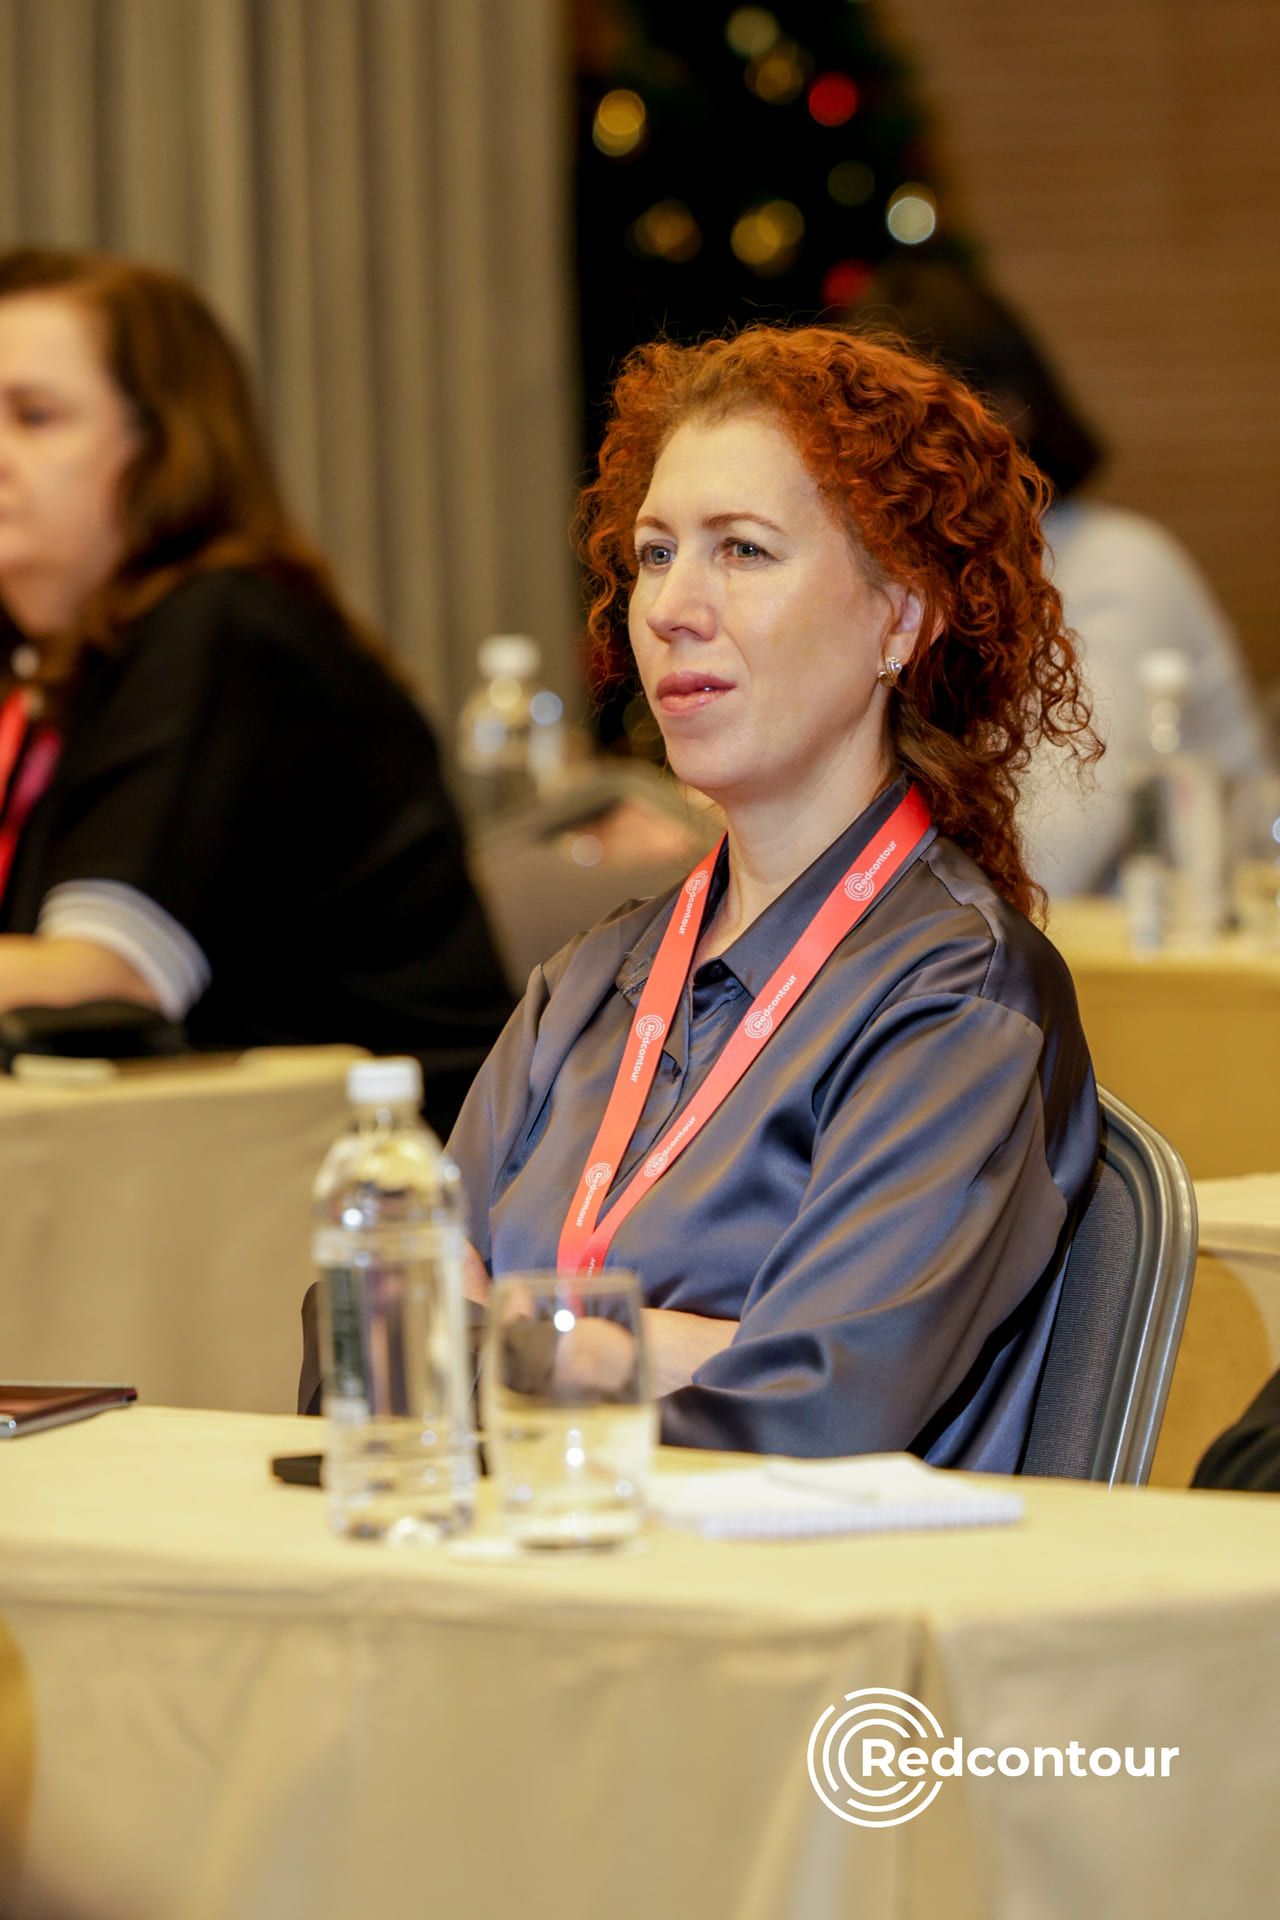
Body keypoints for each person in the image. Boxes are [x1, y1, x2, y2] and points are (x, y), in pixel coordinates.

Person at [445, 324, 1101, 1469]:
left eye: (741, 551)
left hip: (785, 1577)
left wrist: (505, 1334)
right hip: (528, 1554)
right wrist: (676, 1348)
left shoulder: (956, 999)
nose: (669, 606)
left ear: (899, 617)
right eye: (654, 554)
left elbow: (809, 1414)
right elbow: (367, 1337)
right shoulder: (588, 982)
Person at [0, 246, 511, 1129]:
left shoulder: (222, 631)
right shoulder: (62, 665)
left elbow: (102, 981)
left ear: (165, 448)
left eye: (35, 416)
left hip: (393, 1174)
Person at [851, 258, 1271, 898]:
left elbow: (1040, 859)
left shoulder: (1118, 566)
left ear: (1009, 414)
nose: (881, 475)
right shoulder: (893, 590)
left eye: (908, 436)